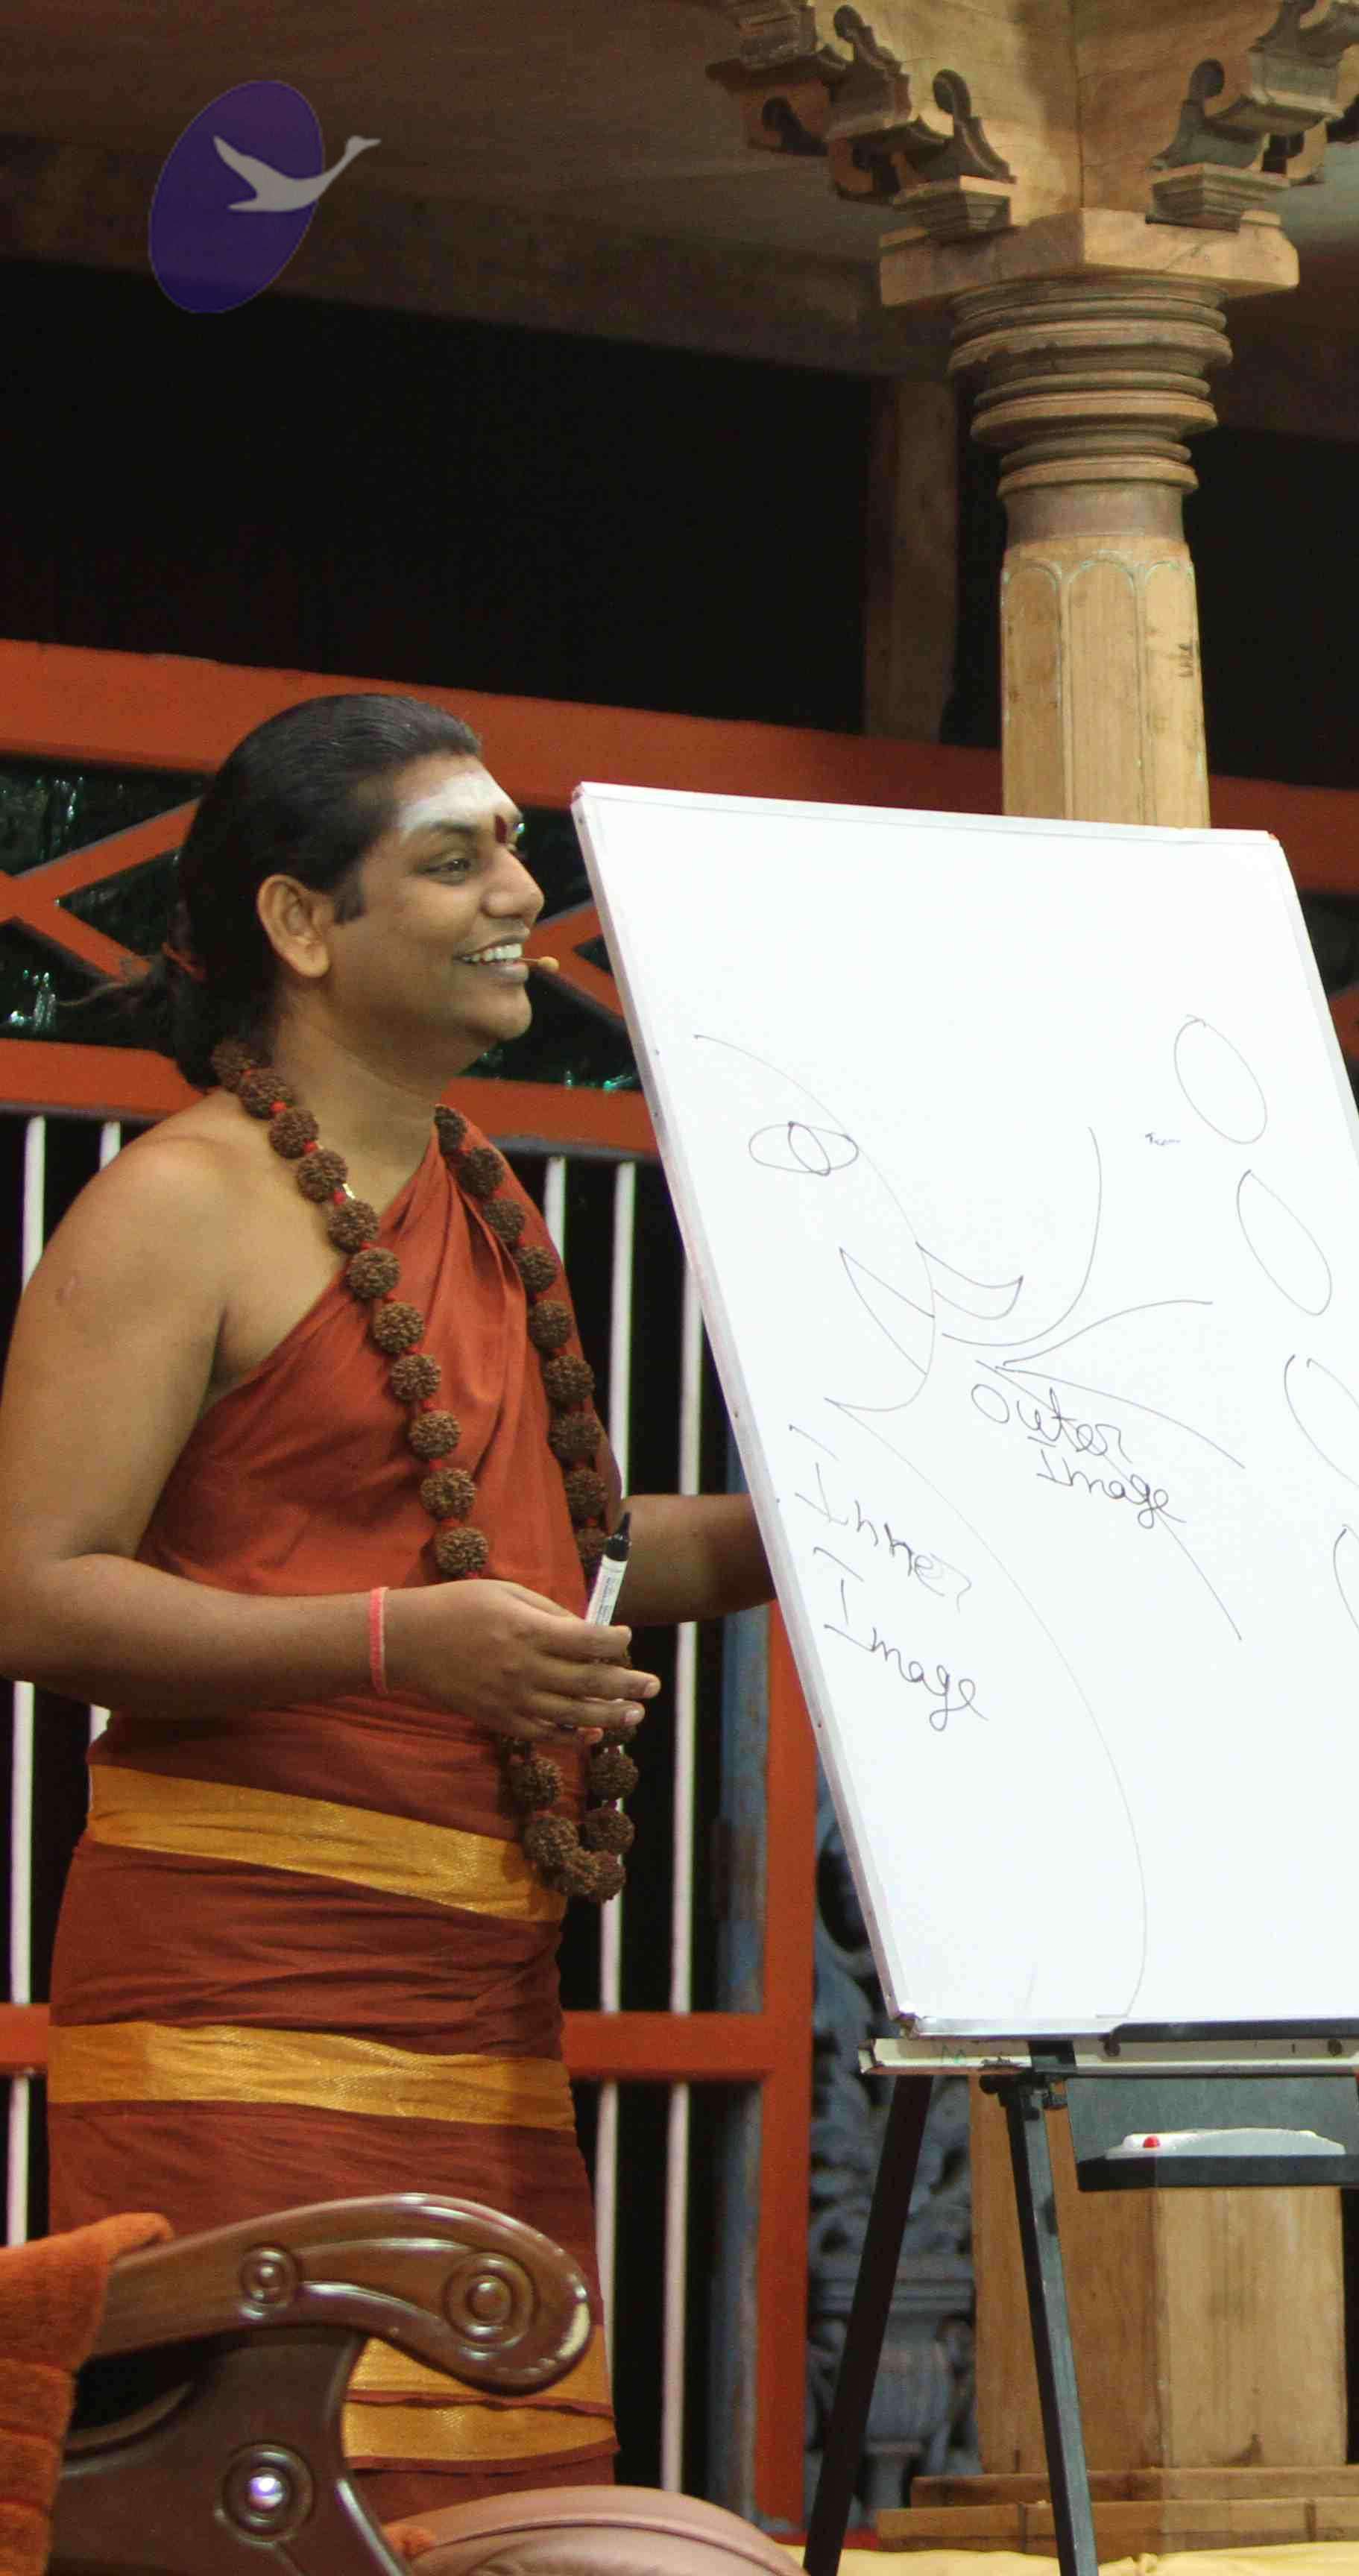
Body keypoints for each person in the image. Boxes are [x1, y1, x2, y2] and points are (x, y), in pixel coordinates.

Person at [0, 695, 775, 2510]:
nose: (519, 895)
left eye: (514, 848)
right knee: (272, 2517)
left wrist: (820, 1538)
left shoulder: (488, 1204)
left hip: (476, 2002)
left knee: (487, 2514)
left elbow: (557, 1561)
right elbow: (31, 1591)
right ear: (301, 923)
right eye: (455, 859)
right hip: (234, 1997)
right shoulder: (179, 1205)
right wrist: (391, 1645)